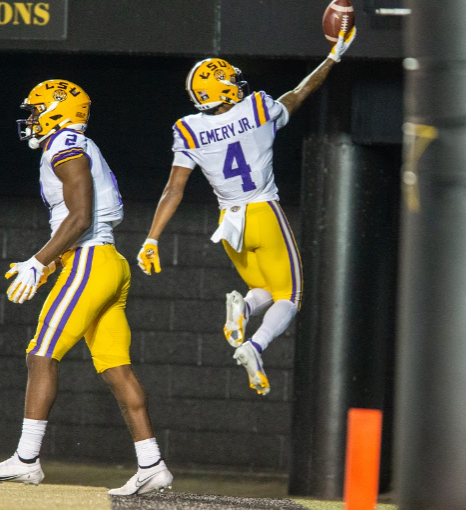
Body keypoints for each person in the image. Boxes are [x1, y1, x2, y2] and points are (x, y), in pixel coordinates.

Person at [0, 80, 173, 496]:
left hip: (90, 259)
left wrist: (37, 261)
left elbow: (80, 217)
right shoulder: (69, 143)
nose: (29, 119)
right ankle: (152, 463)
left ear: (56, 111)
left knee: (41, 353)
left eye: (34, 110)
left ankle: (26, 460)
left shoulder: (64, 143)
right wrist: (48, 267)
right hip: (105, 260)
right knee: (116, 368)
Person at [137, 30, 356, 396]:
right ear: (221, 88)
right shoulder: (256, 108)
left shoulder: (188, 129)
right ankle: (255, 345)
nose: (237, 84)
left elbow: (172, 189)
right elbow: (300, 93)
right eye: (231, 80)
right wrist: (333, 56)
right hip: (263, 212)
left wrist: (151, 238)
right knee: (290, 295)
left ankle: (244, 308)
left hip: (229, 224)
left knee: (264, 289)